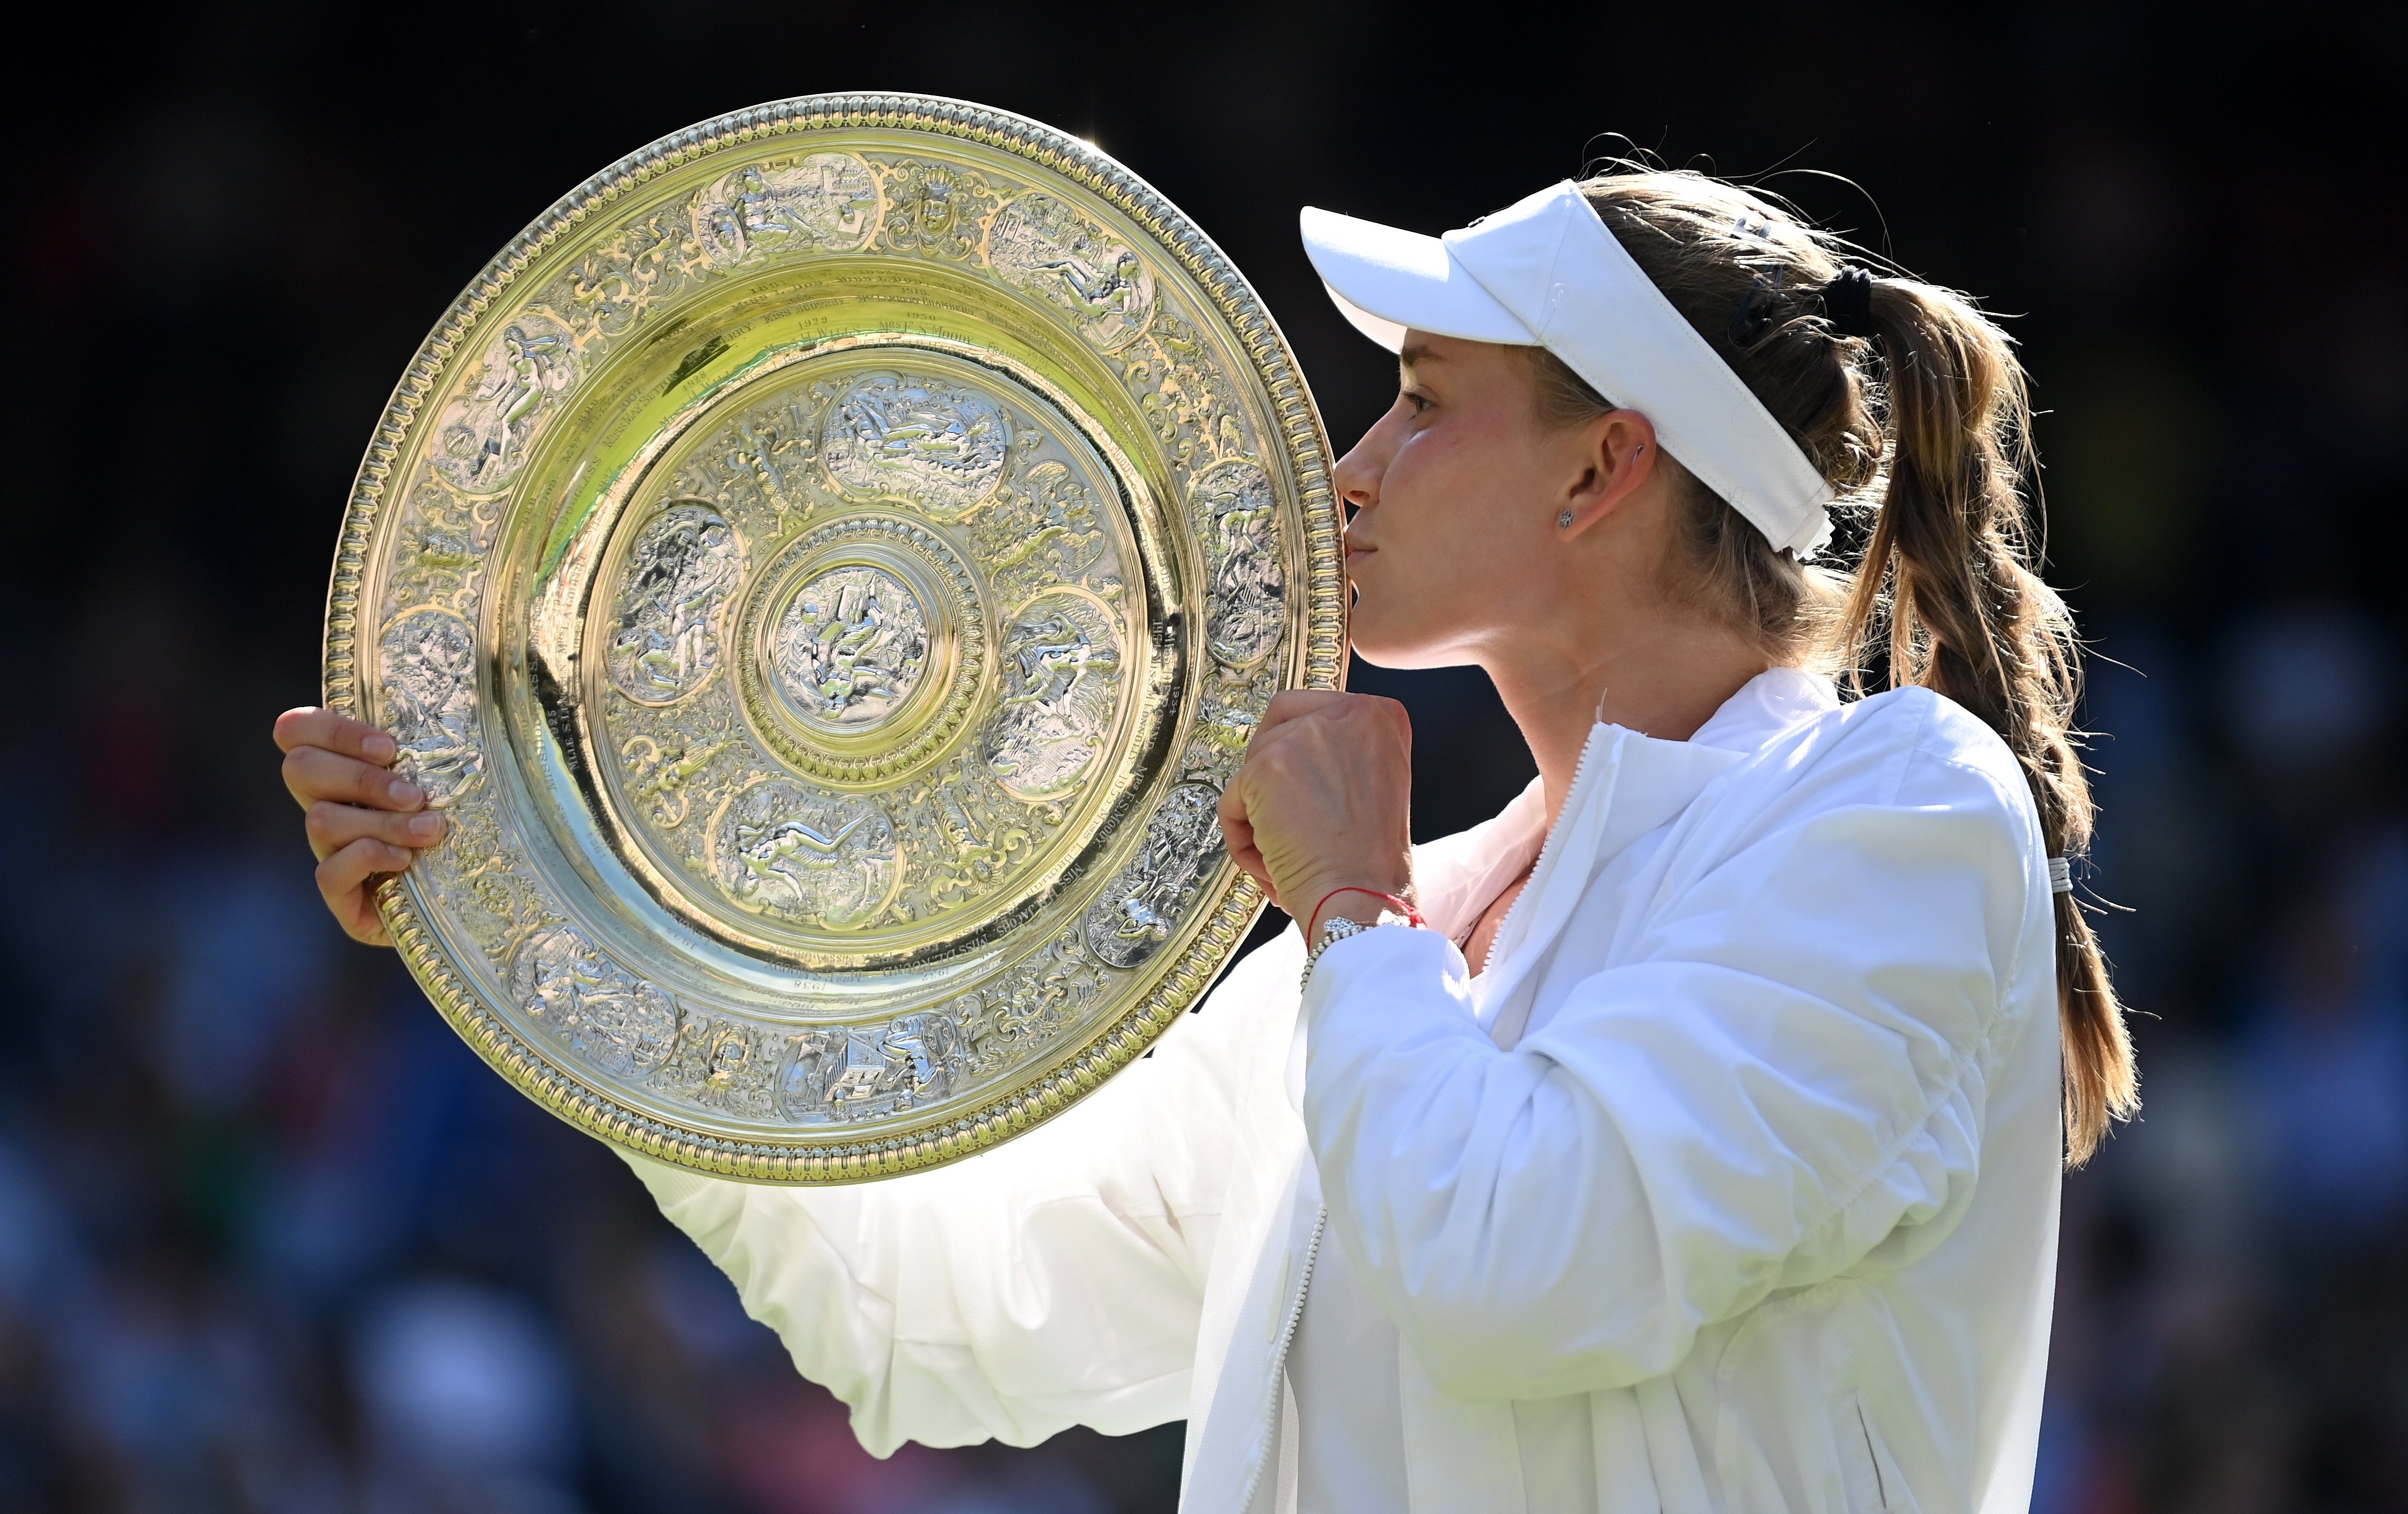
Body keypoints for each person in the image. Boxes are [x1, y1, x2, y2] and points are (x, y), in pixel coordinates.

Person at [273, 164, 2138, 1512]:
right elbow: (935, 1320)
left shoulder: (1894, 810)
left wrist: (1343, 909)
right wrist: (566, 914)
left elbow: (1525, 1266)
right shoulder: (1418, 935)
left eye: (1420, 406)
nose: (1350, 469)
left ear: (1602, 468)